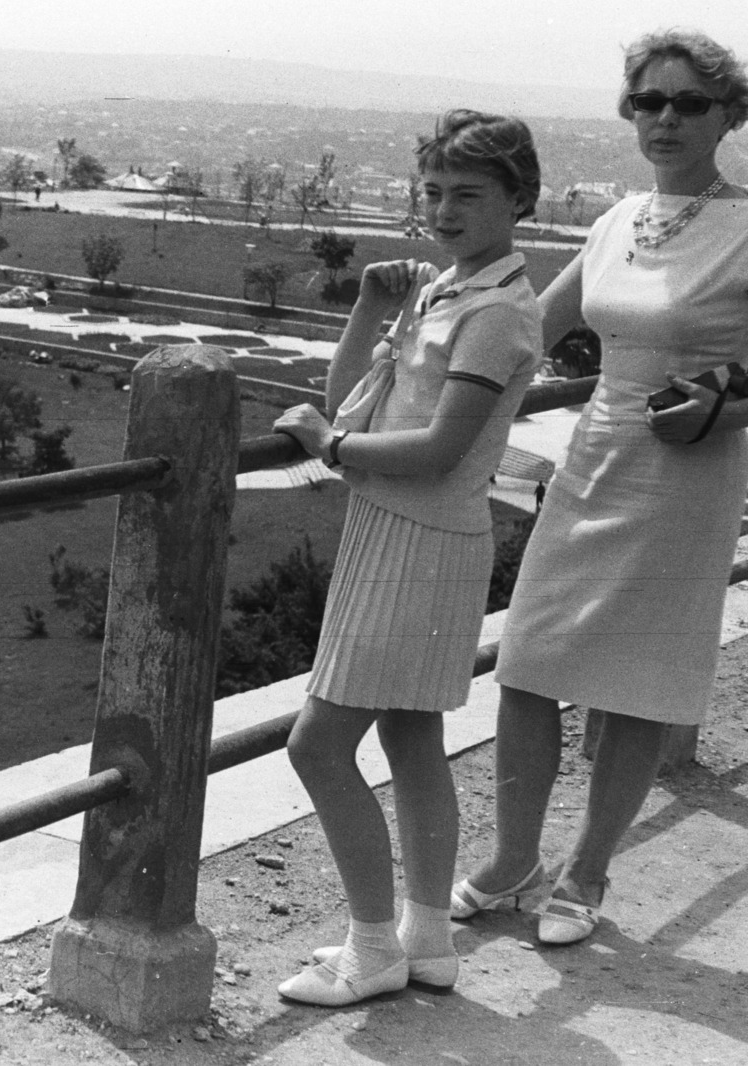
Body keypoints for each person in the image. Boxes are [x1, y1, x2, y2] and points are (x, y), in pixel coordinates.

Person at [456, 30, 748, 947]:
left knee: (635, 681)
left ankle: (586, 873)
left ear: (729, 114)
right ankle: (513, 863)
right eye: (648, 101)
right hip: (593, 457)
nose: (665, 118)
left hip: (688, 471)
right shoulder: (617, 219)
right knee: (529, 662)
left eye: (688, 103)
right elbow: (529, 330)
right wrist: (422, 347)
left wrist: (730, 402)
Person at [270, 110, 544, 1005]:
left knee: (316, 747)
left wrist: (329, 447)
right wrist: (368, 308)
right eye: (433, 191)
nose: (444, 209)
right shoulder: (450, 291)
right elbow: (345, 402)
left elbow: (432, 450)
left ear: (520, 202)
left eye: (469, 194)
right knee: (412, 735)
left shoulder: (498, 313)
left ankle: (371, 947)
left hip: (419, 540)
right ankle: (427, 939)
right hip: (405, 536)